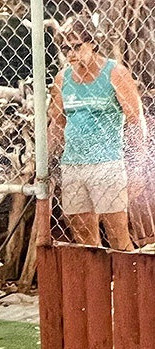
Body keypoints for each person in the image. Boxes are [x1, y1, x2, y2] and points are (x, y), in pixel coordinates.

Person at [48, 18, 148, 251]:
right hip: (73, 164)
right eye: (65, 49)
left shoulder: (115, 73)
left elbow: (136, 121)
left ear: (91, 43)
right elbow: (58, 123)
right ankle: (100, 287)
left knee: (117, 234)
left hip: (107, 164)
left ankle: (128, 286)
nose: (71, 54)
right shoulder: (63, 79)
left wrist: (138, 168)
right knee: (83, 236)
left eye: (76, 46)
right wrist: (46, 163)